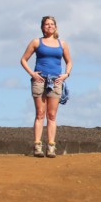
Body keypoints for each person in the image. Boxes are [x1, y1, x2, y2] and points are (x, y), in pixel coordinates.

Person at [20, 16, 72, 157]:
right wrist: (32, 73)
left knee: (52, 115)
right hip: (40, 80)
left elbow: (69, 61)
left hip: (55, 81)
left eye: (52, 24)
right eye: (47, 24)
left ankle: (51, 146)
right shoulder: (37, 42)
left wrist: (66, 74)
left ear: (55, 26)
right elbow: (23, 59)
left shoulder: (62, 44)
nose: (49, 26)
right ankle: (37, 145)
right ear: (42, 27)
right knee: (40, 113)